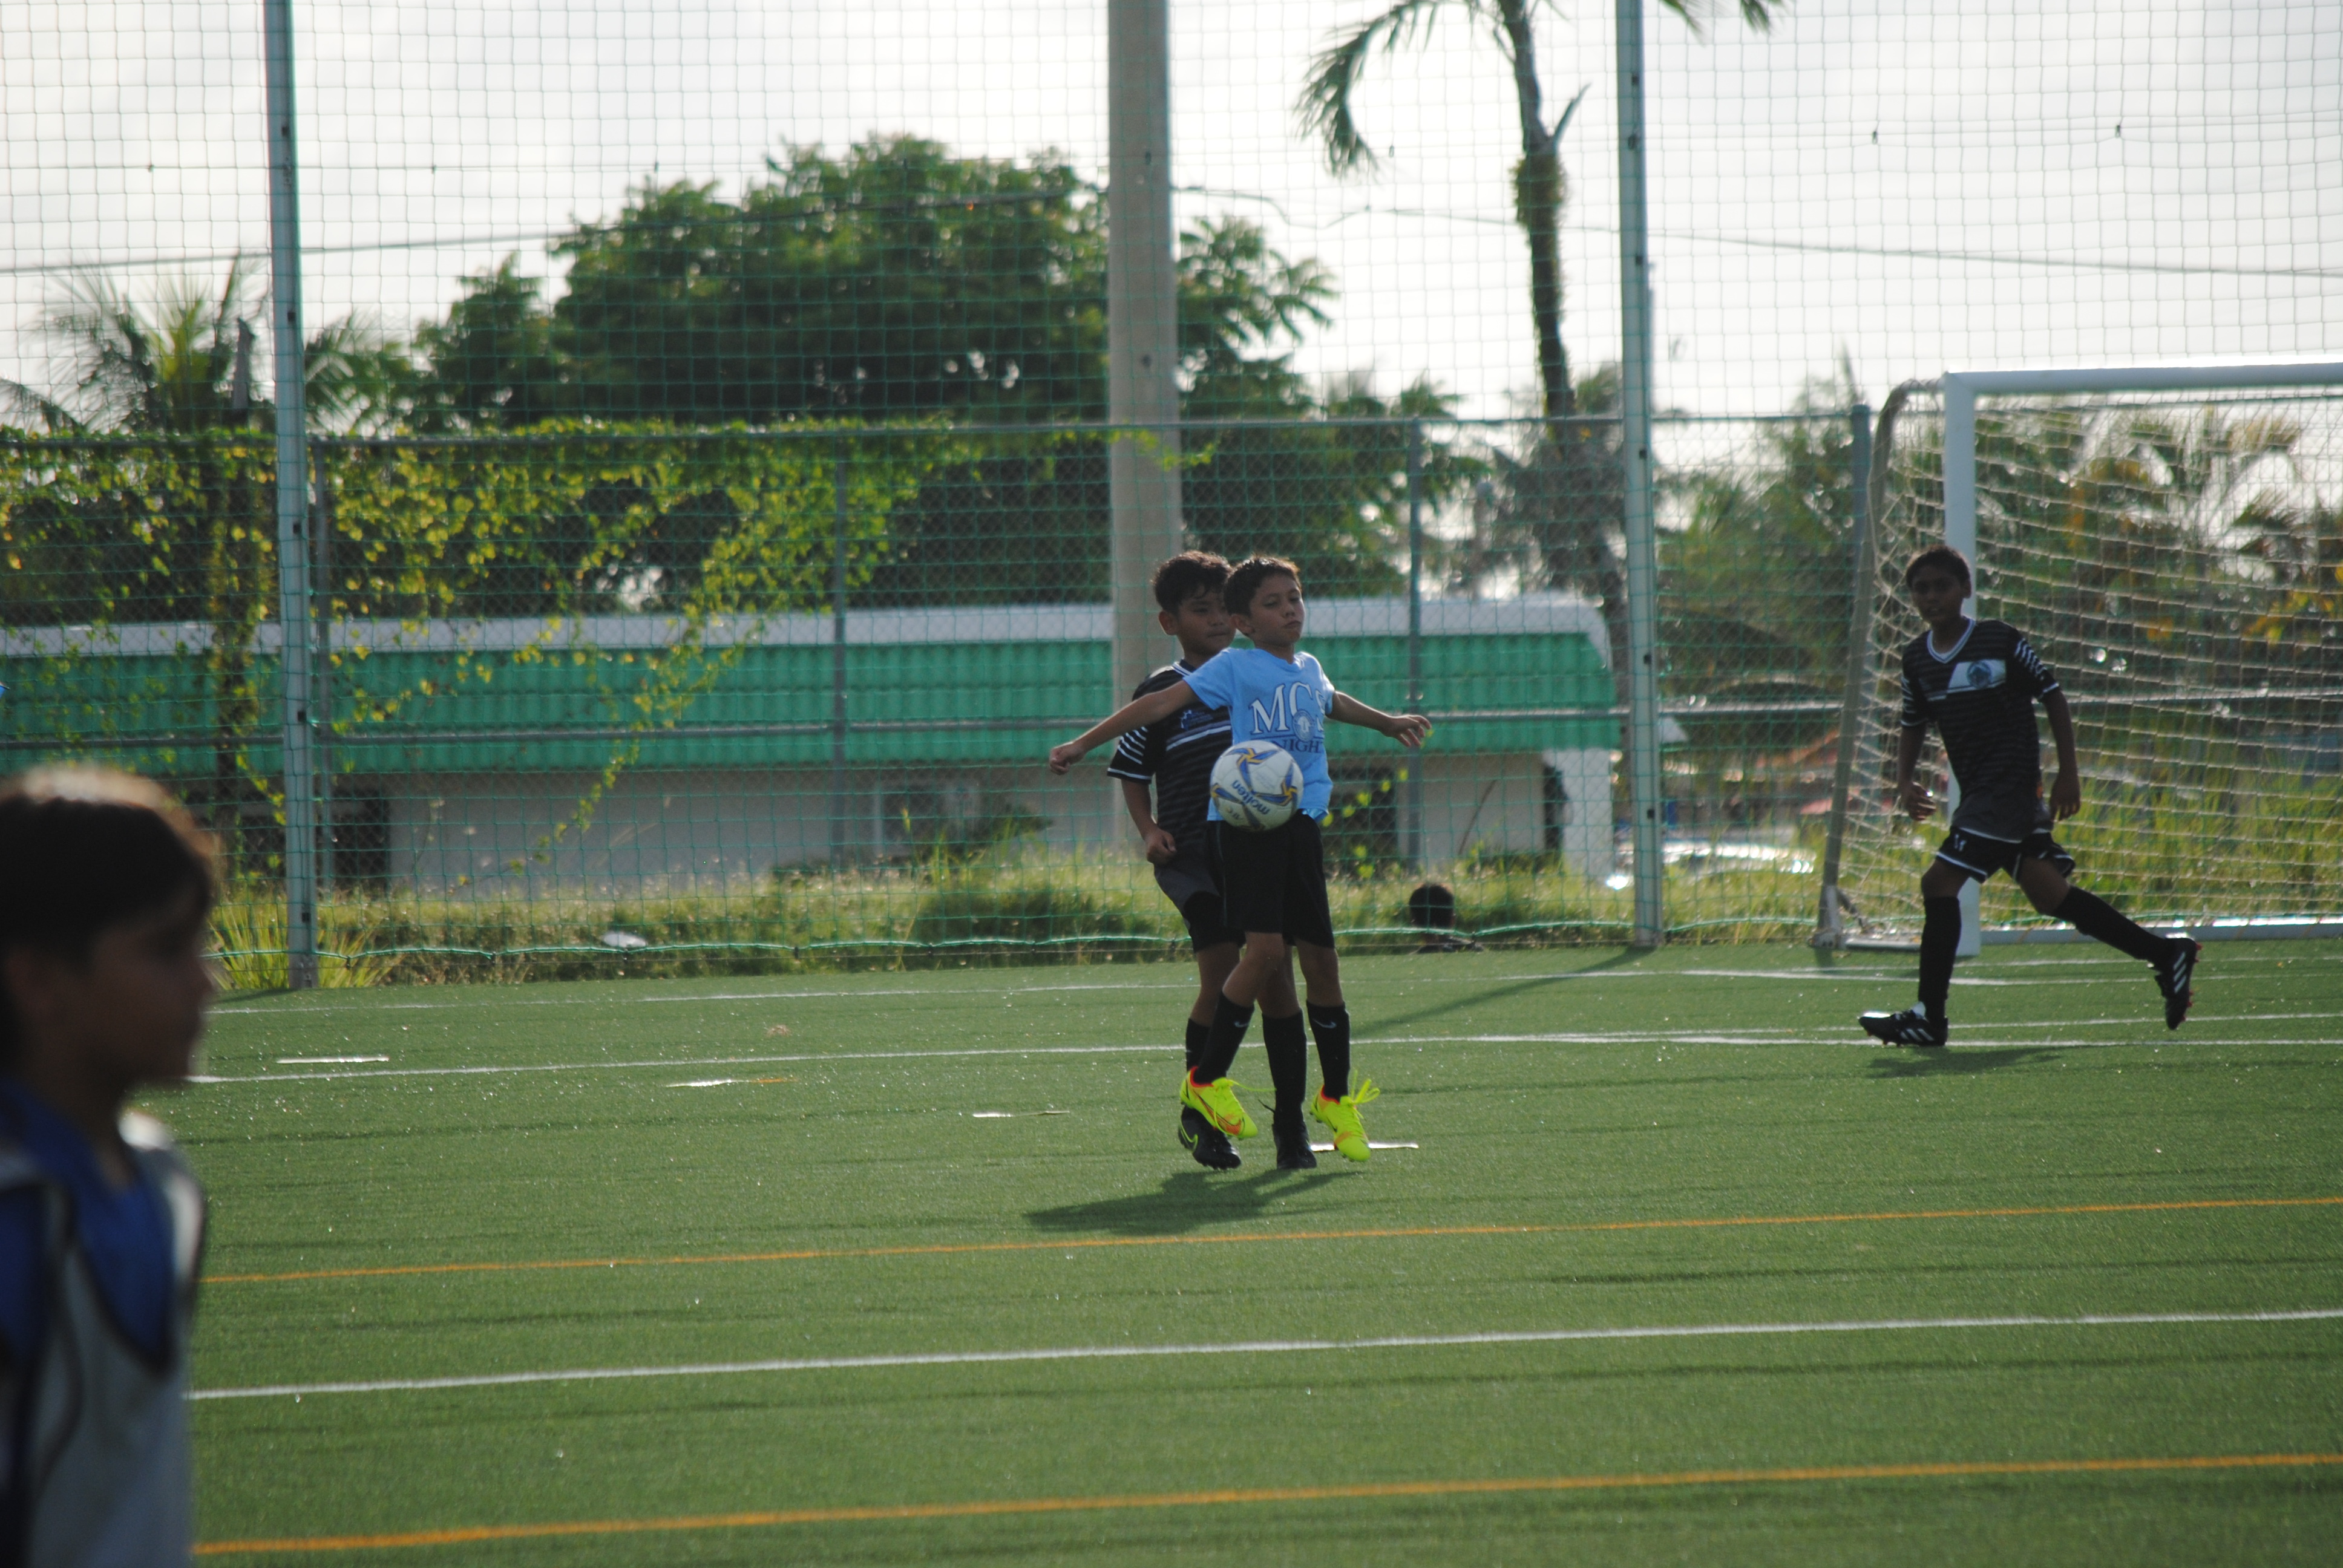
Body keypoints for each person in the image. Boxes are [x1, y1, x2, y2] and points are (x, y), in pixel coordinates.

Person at [1052, 556, 1430, 1166]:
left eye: (1295, 598)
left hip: (1289, 831)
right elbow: (1136, 750)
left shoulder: (1300, 669)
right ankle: (1202, 1100)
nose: (1288, 610)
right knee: (1239, 964)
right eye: (1269, 603)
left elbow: (1329, 700)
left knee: (1294, 972)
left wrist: (1387, 723)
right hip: (1205, 845)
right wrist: (1125, 801)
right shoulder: (1199, 679)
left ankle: (1293, 1122)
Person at [0, 767, 216, 1567]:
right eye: (165, 950)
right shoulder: (19, 1213)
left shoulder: (164, 1184)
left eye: (199, 944)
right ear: (38, 980)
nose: (204, 982)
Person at [1860, 546, 2200, 1047]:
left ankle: (1929, 1018)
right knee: (2049, 894)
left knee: (1938, 884)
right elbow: (1913, 721)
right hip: (1981, 794)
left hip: (2009, 790)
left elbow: (2053, 694)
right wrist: (1904, 779)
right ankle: (2166, 953)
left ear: (1965, 590)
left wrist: (2069, 773)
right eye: (1921, 589)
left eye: (1942, 586)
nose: (1931, 597)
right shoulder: (1915, 659)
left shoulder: (1998, 639)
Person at [1106, 551, 1303, 1172]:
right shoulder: (1161, 693)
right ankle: (1201, 1115)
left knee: (1275, 978)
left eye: (1223, 608)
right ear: (1171, 623)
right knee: (1221, 978)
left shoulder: (1264, 675)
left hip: (1261, 849)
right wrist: (1147, 829)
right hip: (1193, 853)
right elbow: (1132, 772)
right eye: (1201, 611)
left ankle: (1288, 1124)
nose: (1216, 620)